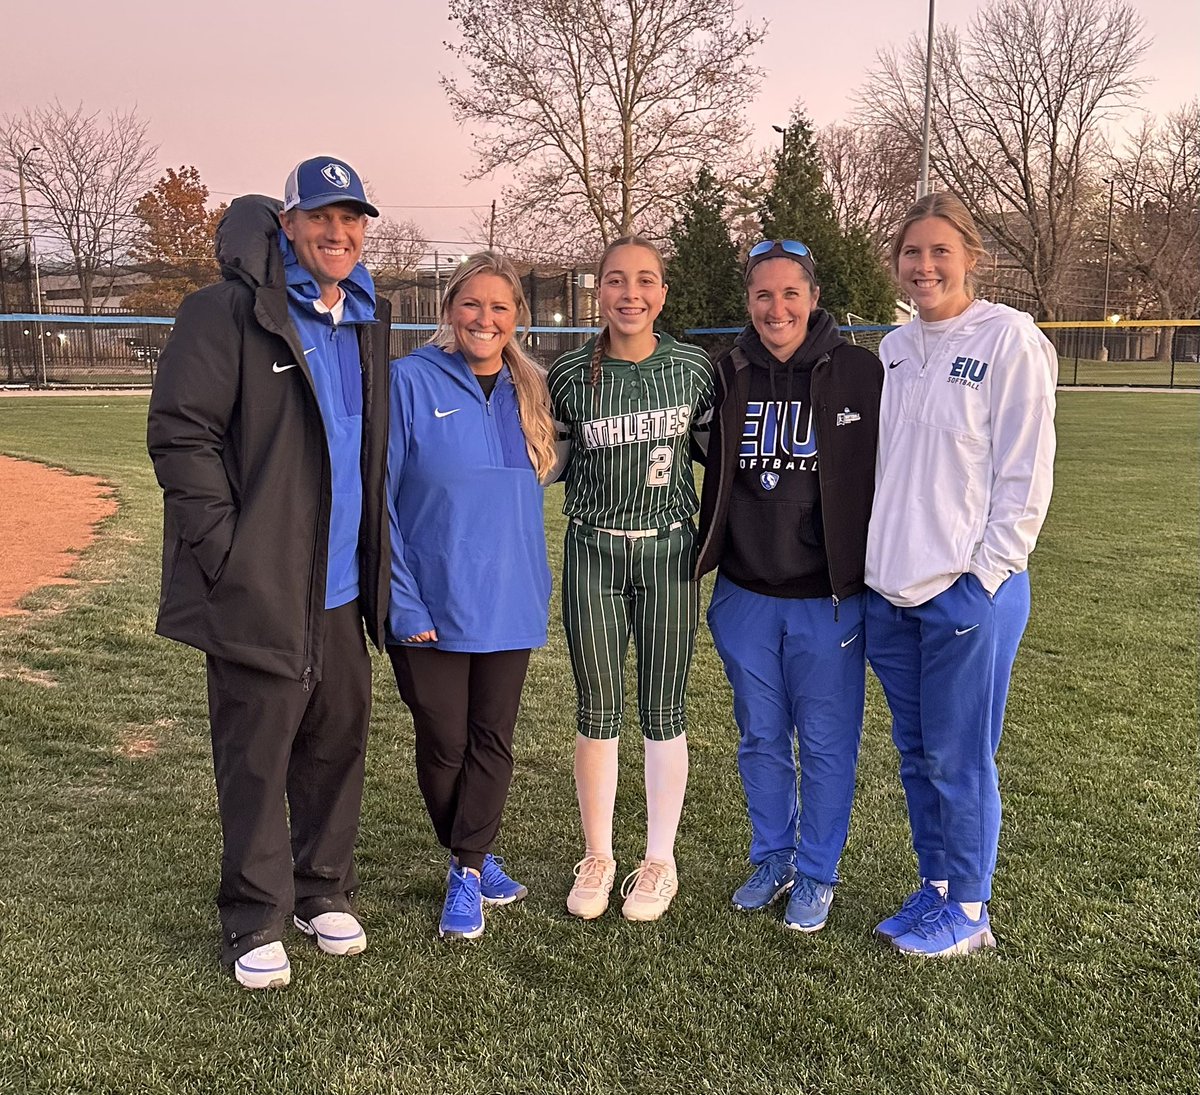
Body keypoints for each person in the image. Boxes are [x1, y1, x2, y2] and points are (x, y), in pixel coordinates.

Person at [147, 156, 391, 989]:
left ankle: (323, 887)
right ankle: (255, 915)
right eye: (321, 218)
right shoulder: (226, 312)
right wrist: (227, 551)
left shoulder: (365, 316)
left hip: (341, 590)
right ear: (287, 225)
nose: (338, 233)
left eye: (352, 220)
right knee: (256, 753)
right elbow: (182, 434)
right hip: (262, 583)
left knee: (335, 740)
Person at [865, 191, 1057, 957]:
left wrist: (985, 577)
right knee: (916, 755)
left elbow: (1025, 472)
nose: (925, 265)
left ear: (971, 256)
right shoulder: (895, 347)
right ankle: (938, 885)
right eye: (913, 252)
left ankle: (971, 910)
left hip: (967, 591)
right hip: (895, 590)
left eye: (940, 250)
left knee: (959, 754)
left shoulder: (1008, 338)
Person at [695, 240, 882, 932]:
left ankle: (818, 870)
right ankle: (772, 855)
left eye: (790, 293)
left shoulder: (862, 373)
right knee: (760, 737)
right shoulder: (724, 372)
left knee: (828, 743)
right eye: (763, 295)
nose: (777, 308)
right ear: (748, 302)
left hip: (827, 598)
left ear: (813, 296)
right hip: (745, 592)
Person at [385, 252, 557, 941]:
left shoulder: (533, 388)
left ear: (518, 317)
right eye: (472, 304)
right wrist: (403, 598)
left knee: (492, 739)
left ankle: (467, 866)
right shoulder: (407, 380)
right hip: (429, 600)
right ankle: (472, 853)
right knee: (443, 741)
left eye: (500, 307)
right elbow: (380, 499)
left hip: (509, 599)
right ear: (449, 308)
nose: (485, 319)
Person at [548, 235, 714, 923]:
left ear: (663, 292)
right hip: (593, 549)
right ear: (598, 291)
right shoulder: (566, 375)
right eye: (615, 280)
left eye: (645, 280)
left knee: (664, 707)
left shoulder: (696, 369)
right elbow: (547, 463)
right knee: (597, 706)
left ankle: (659, 856)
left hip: (669, 550)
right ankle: (599, 851)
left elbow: (722, 459)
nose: (630, 293)